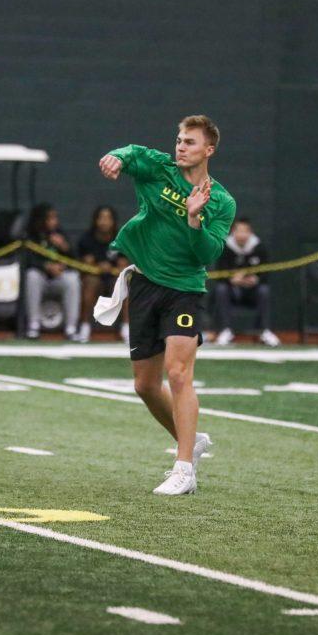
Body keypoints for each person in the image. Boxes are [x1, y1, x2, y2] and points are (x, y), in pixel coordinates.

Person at [98, 114, 236, 495]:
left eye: (190, 142)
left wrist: (195, 219)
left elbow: (206, 253)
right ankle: (192, 439)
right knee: (145, 385)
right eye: (179, 139)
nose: (180, 146)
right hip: (144, 283)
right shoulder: (159, 168)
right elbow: (132, 153)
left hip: (184, 290)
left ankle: (184, 468)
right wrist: (115, 158)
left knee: (178, 374)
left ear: (209, 150)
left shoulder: (221, 201)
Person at [213, 217, 280, 347]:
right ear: (233, 232)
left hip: (252, 292)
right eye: (239, 231)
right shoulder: (225, 248)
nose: (242, 235)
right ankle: (225, 331)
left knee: (264, 291)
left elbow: (265, 273)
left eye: (245, 231)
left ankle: (264, 331)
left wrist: (255, 279)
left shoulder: (259, 248)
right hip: (232, 291)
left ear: (250, 232)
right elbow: (220, 274)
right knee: (221, 289)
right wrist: (232, 279)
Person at [23, 203, 80, 340]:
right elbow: (27, 260)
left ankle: (71, 328)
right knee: (32, 276)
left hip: (58, 278)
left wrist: (64, 247)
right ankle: (33, 326)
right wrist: (46, 266)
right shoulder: (31, 235)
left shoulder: (59, 233)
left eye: (55, 218)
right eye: (50, 218)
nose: (54, 221)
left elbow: (75, 260)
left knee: (72, 279)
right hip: (40, 278)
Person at [74, 205, 129, 343]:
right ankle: (85, 326)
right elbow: (85, 264)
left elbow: (124, 263)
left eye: (108, 218)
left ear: (113, 221)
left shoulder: (121, 238)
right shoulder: (87, 239)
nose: (104, 222)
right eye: (101, 218)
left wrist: (114, 266)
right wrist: (96, 266)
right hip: (94, 277)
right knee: (91, 282)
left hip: (115, 277)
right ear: (95, 221)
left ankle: (126, 327)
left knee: (126, 284)